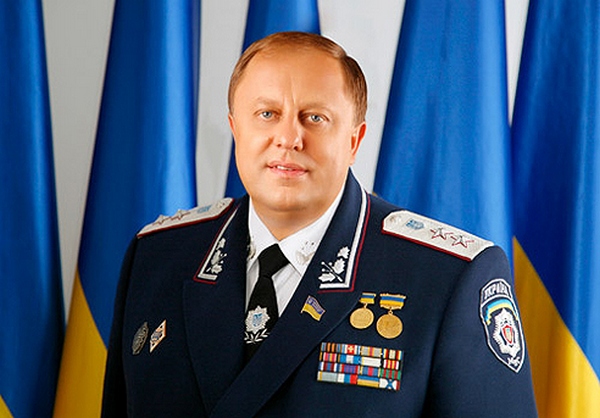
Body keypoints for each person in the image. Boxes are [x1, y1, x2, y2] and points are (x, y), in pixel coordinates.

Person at [102, 31, 537, 417]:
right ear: (236, 129)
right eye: (267, 114)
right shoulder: (158, 257)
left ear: (354, 140)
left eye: (315, 117)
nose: (288, 138)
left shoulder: (448, 278)